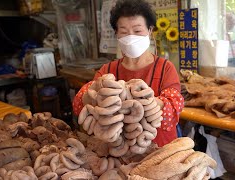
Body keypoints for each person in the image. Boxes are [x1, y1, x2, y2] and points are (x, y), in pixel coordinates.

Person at [72, 0, 184, 147]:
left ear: (150, 31)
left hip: (159, 148)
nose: (131, 37)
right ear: (116, 34)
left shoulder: (165, 68)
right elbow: (80, 105)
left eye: (138, 31)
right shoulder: (107, 71)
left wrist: (145, 101)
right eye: (124, 32)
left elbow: (174, 106)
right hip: (117, 151)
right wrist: (94, 93)